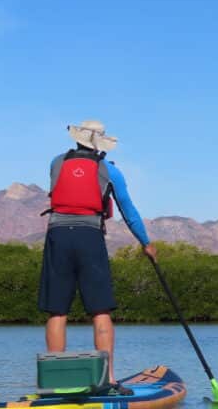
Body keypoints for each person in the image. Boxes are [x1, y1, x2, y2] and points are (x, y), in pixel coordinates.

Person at [38, 119, 156, 385]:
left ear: (77, 138)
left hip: (57, 236)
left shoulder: (56, 162)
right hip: (89, 237)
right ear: (101, 144)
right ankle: (109, 379)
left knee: (57, 311)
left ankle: (55, 381)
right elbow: (128, 211)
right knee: (100, 310)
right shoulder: (110, 171)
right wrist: (145, 243)